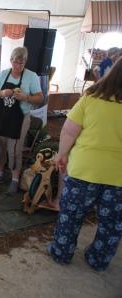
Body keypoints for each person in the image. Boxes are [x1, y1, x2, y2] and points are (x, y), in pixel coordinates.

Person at [47, 57, 122, 272]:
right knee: (111, 225)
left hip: (83, 172)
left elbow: (69, 130)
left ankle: (61, 252)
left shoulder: (91, 98)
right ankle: (98, 259)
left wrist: (62, 154)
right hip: (119, 178)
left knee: (70, 217)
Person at [0, 47, 43, 193]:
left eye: (21, 63)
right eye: (15, 62)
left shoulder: (31, 76)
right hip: (2, 116)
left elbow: (40, 98)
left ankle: (15, 179)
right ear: (11, 60)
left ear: (25, 61)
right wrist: (1, 92)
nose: (17, 66)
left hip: (20, 118)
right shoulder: (4, 74)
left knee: (14, 150)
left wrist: (26, 97)